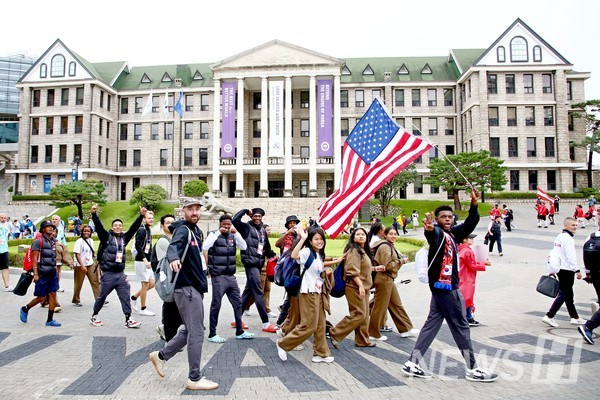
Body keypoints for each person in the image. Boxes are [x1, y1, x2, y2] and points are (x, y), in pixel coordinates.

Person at [402, 188, 498, 382]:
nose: (447, 219)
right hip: (447, 288)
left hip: (440, 289)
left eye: (449, 216)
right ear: (436, 220)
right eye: (443, 217)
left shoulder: (453, 234)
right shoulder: (437, 233)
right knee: (461, 325)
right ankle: (472, 368)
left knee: (432, 324)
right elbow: (432, 234)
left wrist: (473, 203)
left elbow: (471, 223)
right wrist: (428, 228)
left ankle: (413, 362)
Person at [149, 198, 219, 391]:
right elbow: (174, 247)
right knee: (196, 332)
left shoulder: (196, 231)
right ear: (183, 211)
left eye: (197, 209)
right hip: (186, 288)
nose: (195, 212)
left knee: (190, 329)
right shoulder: (183, 230)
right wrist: (173, 258)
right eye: (190, 209)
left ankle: (161, 356)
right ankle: (194, 378)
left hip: (194, 288)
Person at [276, 226, 341, 363]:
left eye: (321, 239)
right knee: (308, 325)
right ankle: (283, 343)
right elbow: (294, 255)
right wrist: (303, 238)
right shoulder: (306, 251)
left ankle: (320, 353)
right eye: (316, 239)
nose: (319, 241)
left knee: (320, 324)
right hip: (308, 293)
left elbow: (316, 271)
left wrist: (326, 271)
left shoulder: (318, 254)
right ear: (310, 241)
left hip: (317, 292)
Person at [89, 204, 143, 328]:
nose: (118, 227)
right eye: (115, 225)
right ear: (112, 228)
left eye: (120, 225)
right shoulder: (106, 237)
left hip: (120, 274)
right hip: (108, 274)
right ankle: (94, 315)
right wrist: (94, 214)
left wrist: (141, 216)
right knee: (102, 296)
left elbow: (133, 229)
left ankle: (128, 319)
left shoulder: (124, 238)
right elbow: (99, 226)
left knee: (125, 296)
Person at [203, 214, 254, 343]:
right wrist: (218, 233)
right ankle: (212, 333)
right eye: (224, 224)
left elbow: (244, 246)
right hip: (218, 276)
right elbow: (205, 247)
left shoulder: (233, 236)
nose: (226, 226)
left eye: (228, 224)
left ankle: (240, 331)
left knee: (238, 303)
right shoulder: (213, 234)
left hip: (231, 276)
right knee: (216, 305)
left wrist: (236, 233)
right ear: (220, 224)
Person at [329, 227, 379, 348]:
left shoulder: (362, 250)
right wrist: (361, 286)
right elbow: (351, 271)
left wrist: (376, 268)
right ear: (353, 237)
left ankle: (362, 340)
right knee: (359, 314)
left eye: (363, 234)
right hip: (354, 287)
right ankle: (335, 332)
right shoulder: (354, 251)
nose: (361, 236)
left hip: (363, 287)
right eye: (358, 234)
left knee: (364, 315)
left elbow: (363, 268)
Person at [232, 208, 278, 333]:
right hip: (250, 263)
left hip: (258, 263)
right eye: (255, 216)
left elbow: (266, 246)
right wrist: (245, 211)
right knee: (258, 291)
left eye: (259, 216)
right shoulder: (246, 227)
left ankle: (237, 319)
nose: (257, 218)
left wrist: (273, 254)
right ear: (252, 217)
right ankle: (265, 323)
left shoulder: (262, 230)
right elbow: (235, 220)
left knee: (248, 292)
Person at [368, 227, 417, 340]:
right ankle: (373, 333)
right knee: (380, 307)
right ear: (385, 235)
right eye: (391, 234)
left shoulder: (388, 245)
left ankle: (405, 329)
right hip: (384, 279)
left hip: (388, 279)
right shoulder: (385, 247)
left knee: (396, 304)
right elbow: (388, 266)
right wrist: (402, 261)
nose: (393, 236)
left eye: (395, 234)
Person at [542, 217, 587, 328]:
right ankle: (549, 315)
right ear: (566, 226)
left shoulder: (559, 237)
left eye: (576, 225)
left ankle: (575, 317)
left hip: (560, 268)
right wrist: (577, 270)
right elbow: (570, 256)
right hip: (567, 269)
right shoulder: (568, 239)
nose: (575, 227)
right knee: (564, 293)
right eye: (573, 225)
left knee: (568, 294)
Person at [19, 220, 61, 327]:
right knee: (41, 297)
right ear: (43, 229)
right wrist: (36, 274)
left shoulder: (53, 241)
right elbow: (34, 258)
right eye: (48, 227)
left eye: (52, 227)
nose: (51, 228)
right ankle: (25, 308)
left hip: (52, 274)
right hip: (42, 274)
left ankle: (50, 320)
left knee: (53, 294)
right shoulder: (38, 241)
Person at [152, 214, 182, 343]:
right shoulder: (163, 241)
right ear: (162, 226)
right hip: (168, 278)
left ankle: (166, 329)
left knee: (173, 306)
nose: (170, 225)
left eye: (172, 222)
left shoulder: (175, 238)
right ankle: (166, 330)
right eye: (167, 223)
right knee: (169, 304)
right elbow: (164, 263)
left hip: (175, 277)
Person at [274, 215, 301, 328]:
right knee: (290, 294)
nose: (292, 225)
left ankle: (286, 317)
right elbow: (277, 244)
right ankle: (281, 321)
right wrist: (287, 233)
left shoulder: (300, 236)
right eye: (290, 223)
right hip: (286, 267)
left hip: (296, 266)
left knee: (291, 295)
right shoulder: (285, 236)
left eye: (294, 223)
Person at [458, 234, 491, 326]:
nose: (472, 240)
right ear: (464, 239)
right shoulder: (467, 251)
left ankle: (467, 317)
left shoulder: (460, 249)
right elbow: (472, 264)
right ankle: (467, 318)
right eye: (470, 238)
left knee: (465, 297)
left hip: (462, 276)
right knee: (467, 298)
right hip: (467, 277)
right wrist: (484, 263)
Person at [131, 211, 156, 316]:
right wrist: (144, 260)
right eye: (149, 218)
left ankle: (134, 297)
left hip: (147, 260)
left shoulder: (148, 230)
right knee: (145, 284)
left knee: (152, 283)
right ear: (144, 219)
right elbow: (138, 246)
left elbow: (148, 247)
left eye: (152, 218)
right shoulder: (141, 230)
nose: (151, 219)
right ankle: (143, 308)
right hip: (141, 261)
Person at [72, 225, 100, 306]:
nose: (86, 233)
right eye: (85, 231)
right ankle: (76, 299)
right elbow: (77, 254)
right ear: (82, 232)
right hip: (80, 264)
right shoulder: (79, 241)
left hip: (90, 263)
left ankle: (99, 298)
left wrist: (94, 256)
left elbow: (91, 252)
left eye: (88, 231)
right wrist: (82, 265)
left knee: (95, 281)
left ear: (91, 232)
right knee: (79, 283)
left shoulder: (91, 240)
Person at [583, 229, 600, 315]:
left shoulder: (591, 236)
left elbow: (586, 254)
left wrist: (587, 272)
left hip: (594, 271)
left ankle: (598, 305)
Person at [51, 214, 67, 292]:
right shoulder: (49, 228)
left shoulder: (61, 229)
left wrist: (65, 249)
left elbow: (63, 239)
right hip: (50, 250)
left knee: (58, 268)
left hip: (58, 251)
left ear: (59, 221)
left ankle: (57, 284)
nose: (54, 220)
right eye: (53, 219)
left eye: (56, 219)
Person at [0, 213, 13, 291]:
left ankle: (7, 286)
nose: (3, 219)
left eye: (5, 218)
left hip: (4, 249)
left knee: (5, 267)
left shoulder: (6, 227)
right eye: (2, 218)